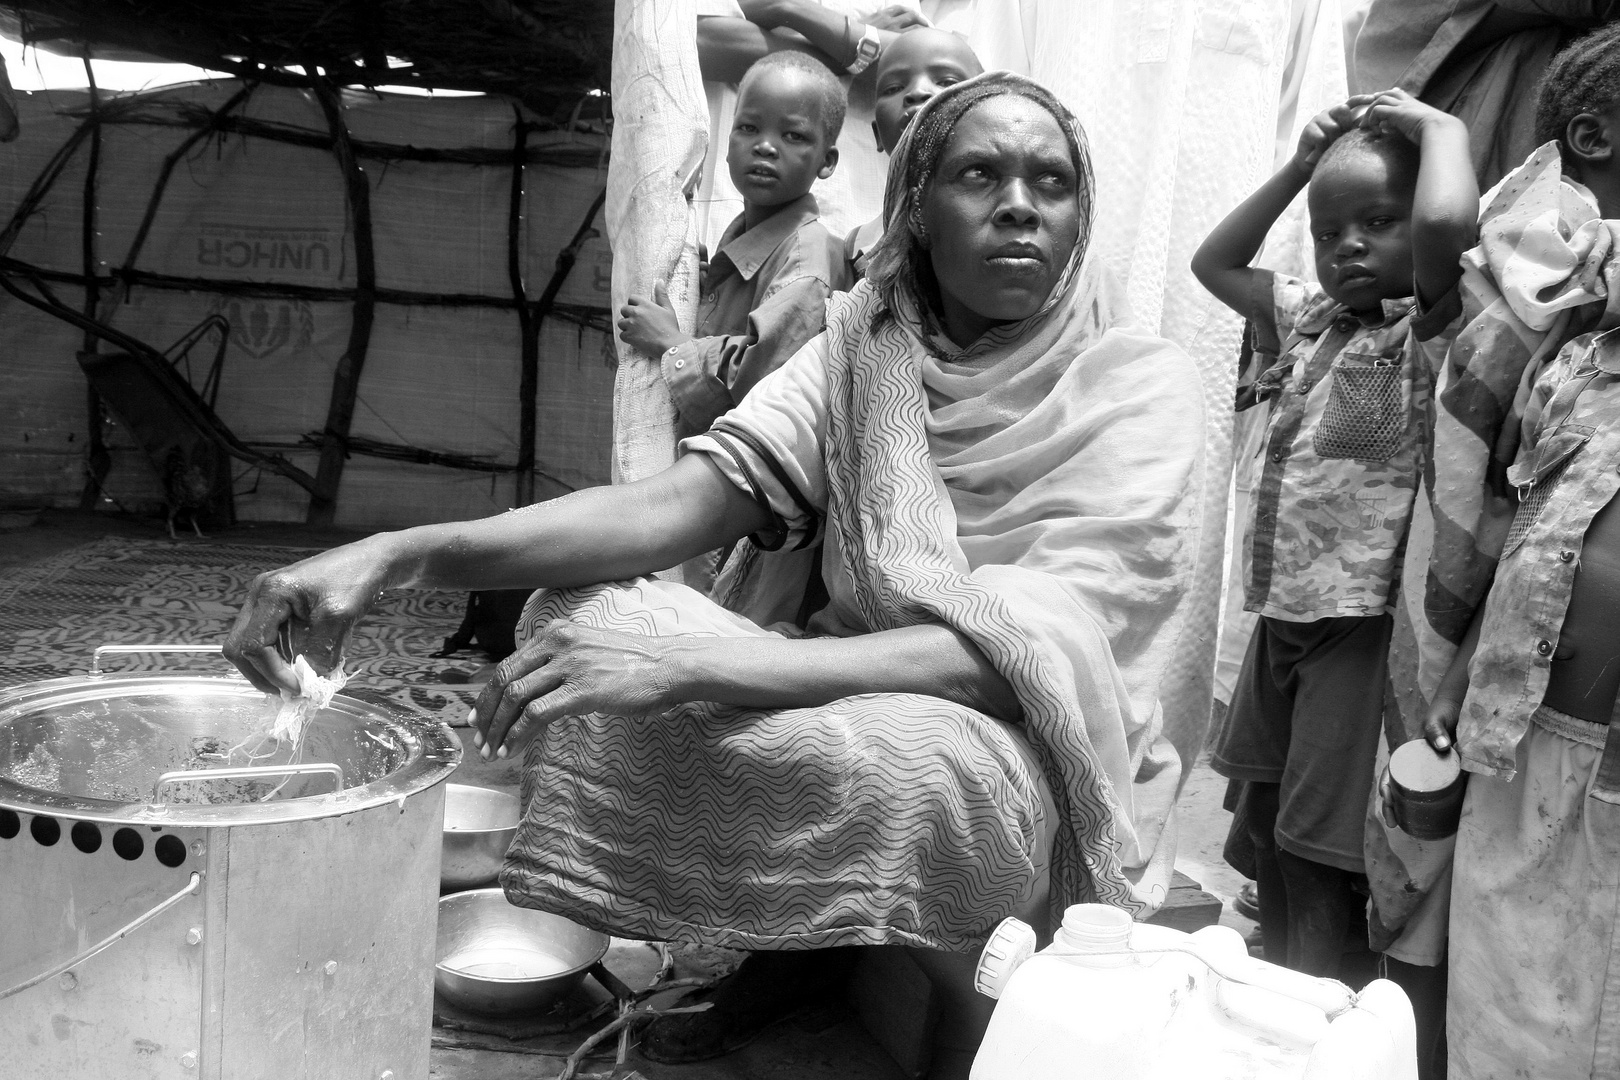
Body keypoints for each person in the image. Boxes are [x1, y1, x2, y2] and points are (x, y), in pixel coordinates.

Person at [224, 72, 1206, 1069]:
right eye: (979, 174)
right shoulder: (866, 353)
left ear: (1080, 215)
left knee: (925, 771)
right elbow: (667, 511)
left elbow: (1018, 659)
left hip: (1030, 738)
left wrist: (697, 667)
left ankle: (968, 1023)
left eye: (1051, 181)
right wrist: (398, 554)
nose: (1019, 205)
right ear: (917, 210)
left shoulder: (1135, 384)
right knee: (587, 614)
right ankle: (793, 947)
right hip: (861, 685)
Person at [1189, 89, 1477, 980]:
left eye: (1377, 222)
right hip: (1279, 612)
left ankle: (1305, 1010)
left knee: (1318, 850)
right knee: (1269, 830)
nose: (1349, 245)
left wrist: (1440, 129)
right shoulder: (1307, 316)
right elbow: (1214, 261)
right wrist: (1297, 170)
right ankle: (1268, 978)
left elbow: (1444, 226)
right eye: (1329, 230)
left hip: (1356, 629)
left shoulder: (1431, 328)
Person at [1391, 24, 1620, 1078]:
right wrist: (1474, 652)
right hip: (1525, 731)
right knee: (1509, 1011)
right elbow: (1531, 515)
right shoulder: (1572, 348)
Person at [616, 50, 852, 442]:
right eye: (748, 127)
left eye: (793, 135)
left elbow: (762, 386)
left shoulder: (807, 264)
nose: (765, 146)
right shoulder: (741, 237)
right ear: (726, 142)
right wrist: (710, 291)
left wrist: (671, 343)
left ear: (826, 162)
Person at [847, 26, 983, 277]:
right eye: (892, 88)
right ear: (877, 134)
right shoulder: (855, 248)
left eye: (947, 82)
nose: (917, 92)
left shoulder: (1004, 219)